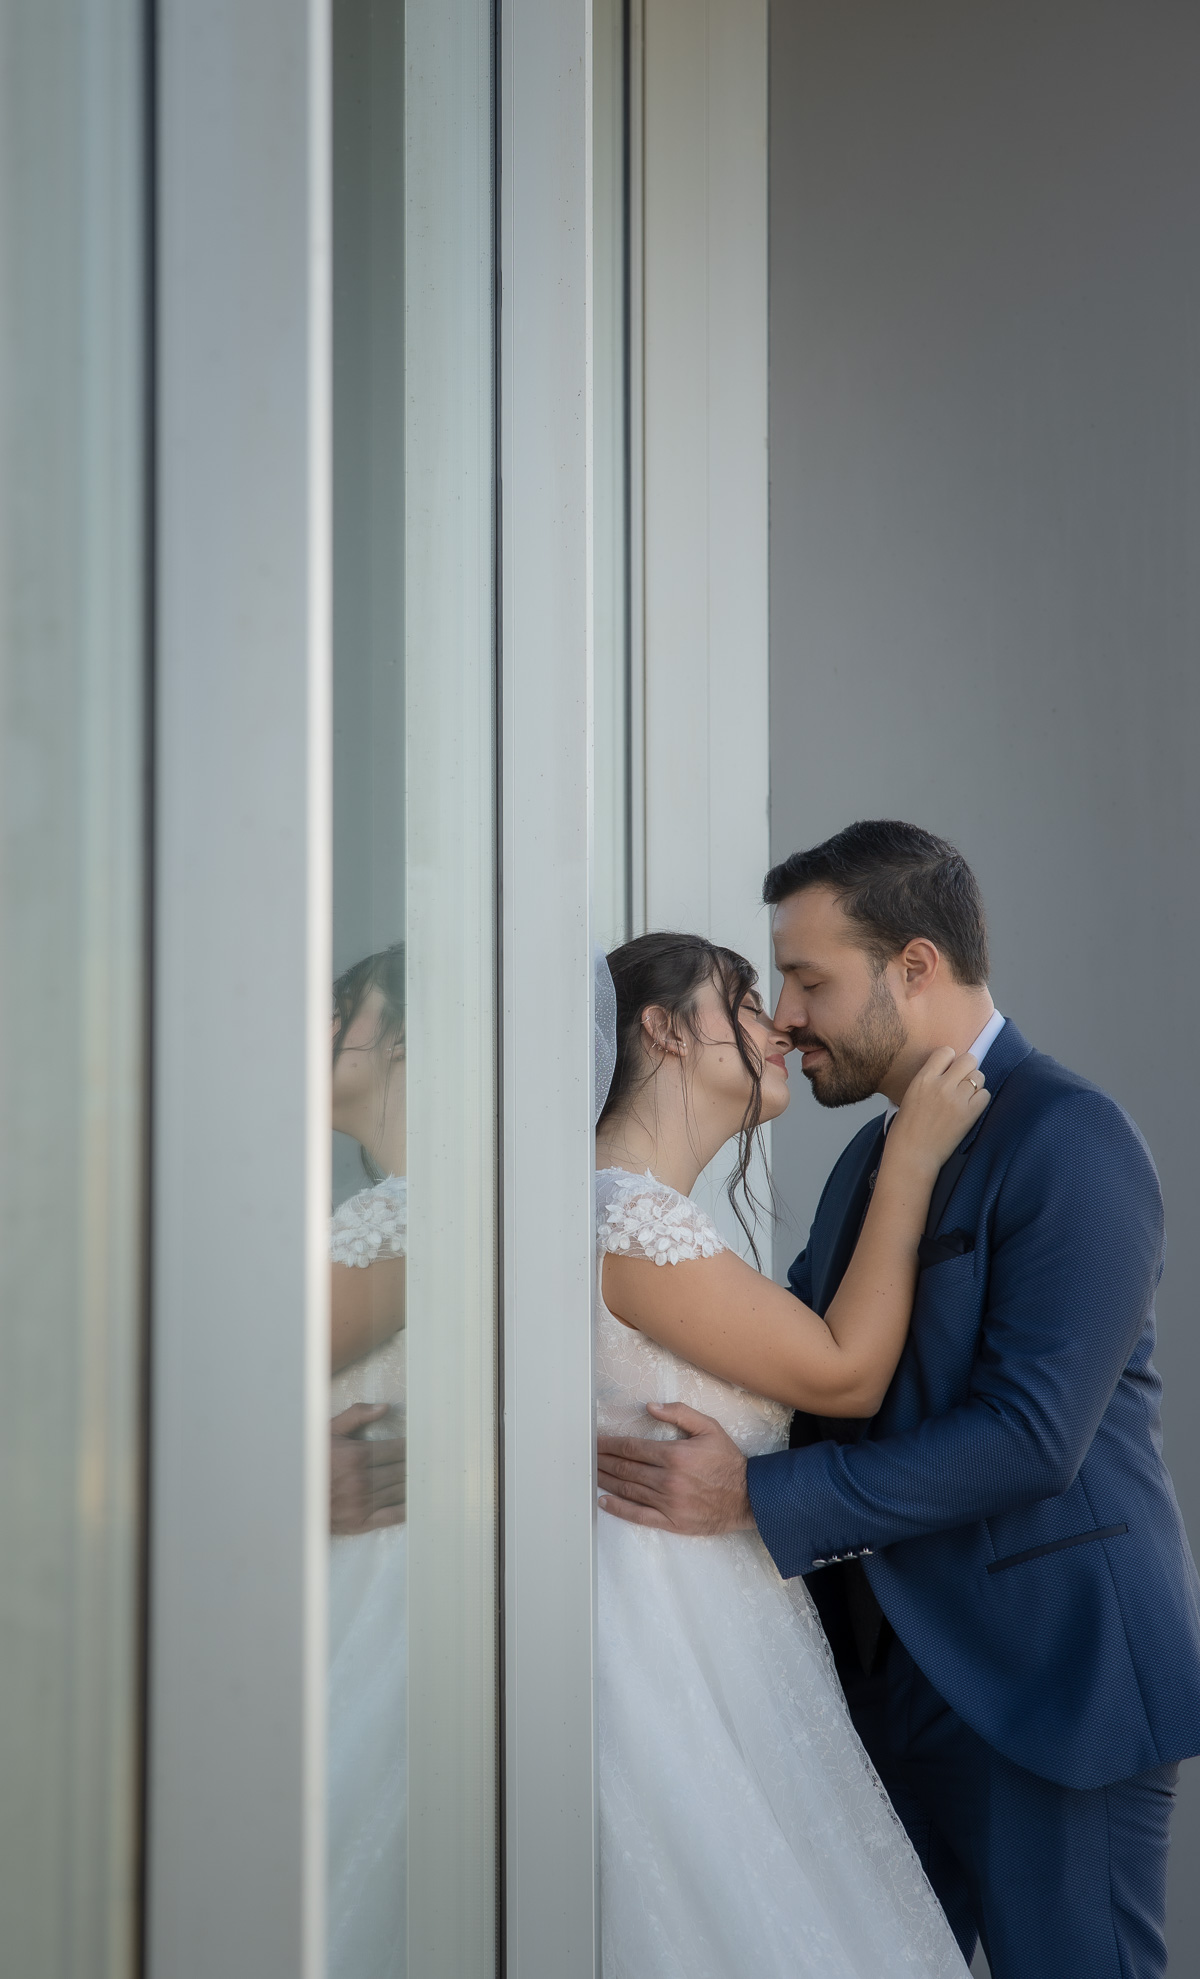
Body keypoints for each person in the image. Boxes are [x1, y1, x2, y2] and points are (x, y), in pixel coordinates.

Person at [598, 821, 1200, 1979]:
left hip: (1048, 1688)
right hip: (878, 1696)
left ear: (914, 966)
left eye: (810, 977)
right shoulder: (871, 1163)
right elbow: (807, 1376)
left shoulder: (1072, 1137)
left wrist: (752, 1495)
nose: (783, 1013)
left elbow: (1032, 1437)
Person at [592, 930, 985, 1979]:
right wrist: (911, 1157)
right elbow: (847, 1371)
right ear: (665, 1028)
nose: (779, 1029)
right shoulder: (628, 1215)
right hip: (669, 1635)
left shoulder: (647, 1214)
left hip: (711, 1616)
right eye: (749, 1001)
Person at [327, 943, 407, 1979]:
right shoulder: (388, 1211)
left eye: (342, 1008)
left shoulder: (403, 1218)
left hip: (382, 1593)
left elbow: (194, 1395)